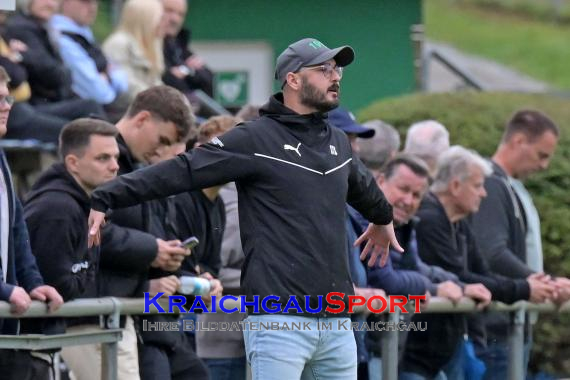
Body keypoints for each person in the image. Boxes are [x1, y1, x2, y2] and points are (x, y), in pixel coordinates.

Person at [87, 37, 402, 380]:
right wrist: (109, 195)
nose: (336, 76)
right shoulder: (254, 138)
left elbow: (365, 189)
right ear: (293, 80)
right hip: (279, 323)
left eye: (337, 68)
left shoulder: (338, 142)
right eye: (324, 69)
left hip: (337, 322)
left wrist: (382, 218)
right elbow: (184, 169)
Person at [400, 146, 555, 380]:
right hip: (417, 355)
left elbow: (482, 272)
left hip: (443, 353)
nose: (483, 193)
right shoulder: (430, 219)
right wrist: (524, 289)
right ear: (454, 186)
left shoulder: (459, 223)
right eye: (477, 185)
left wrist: (530, 283)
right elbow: (460, 276)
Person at [470, 110, 564, 379]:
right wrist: (543, 282)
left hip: (514, 325)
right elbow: (492, 252)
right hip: (498, 329)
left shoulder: (510, 186)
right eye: (541, 155)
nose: (544, 166)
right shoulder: (490, 183)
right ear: (519, 141)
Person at [22, 118, 120, 379]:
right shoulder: (57, 210)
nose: (114, 167)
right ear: (73, 163)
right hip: (35, 346)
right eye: (103, 158)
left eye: (115, 157)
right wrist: (85, 274)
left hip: (49, 341)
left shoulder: (82, 204)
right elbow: (58, 285)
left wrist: (83, 273)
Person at [0, 66, 64, 380]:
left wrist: (33, 281)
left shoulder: (1, 157)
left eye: (7, 98)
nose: (7, 106)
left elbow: (16, 230)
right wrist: (4, 289)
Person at [50, 0, 129, 121]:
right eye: (85, 1)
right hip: (83, 113)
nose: (92, 7)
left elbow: (123, 80)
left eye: (95, 2)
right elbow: (99, 93)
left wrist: (108, 78)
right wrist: (109, 76)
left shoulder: (84, 33)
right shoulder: (61, 37)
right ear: (66, 2)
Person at [103, 0, 164, 102]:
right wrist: (159, 101)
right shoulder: (118, 44)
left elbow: (156, 83)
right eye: (160, 19)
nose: (163, 24)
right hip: (129, 108)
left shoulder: (151, 43)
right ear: (146, 19)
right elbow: (127, 86)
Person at [161, 0, 214, 97]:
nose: (175, 19)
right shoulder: (142, 46)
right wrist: (170, 77)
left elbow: (212, 84)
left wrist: (191, 73)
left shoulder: (178, 46)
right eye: (168, 10)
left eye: (181, 14)